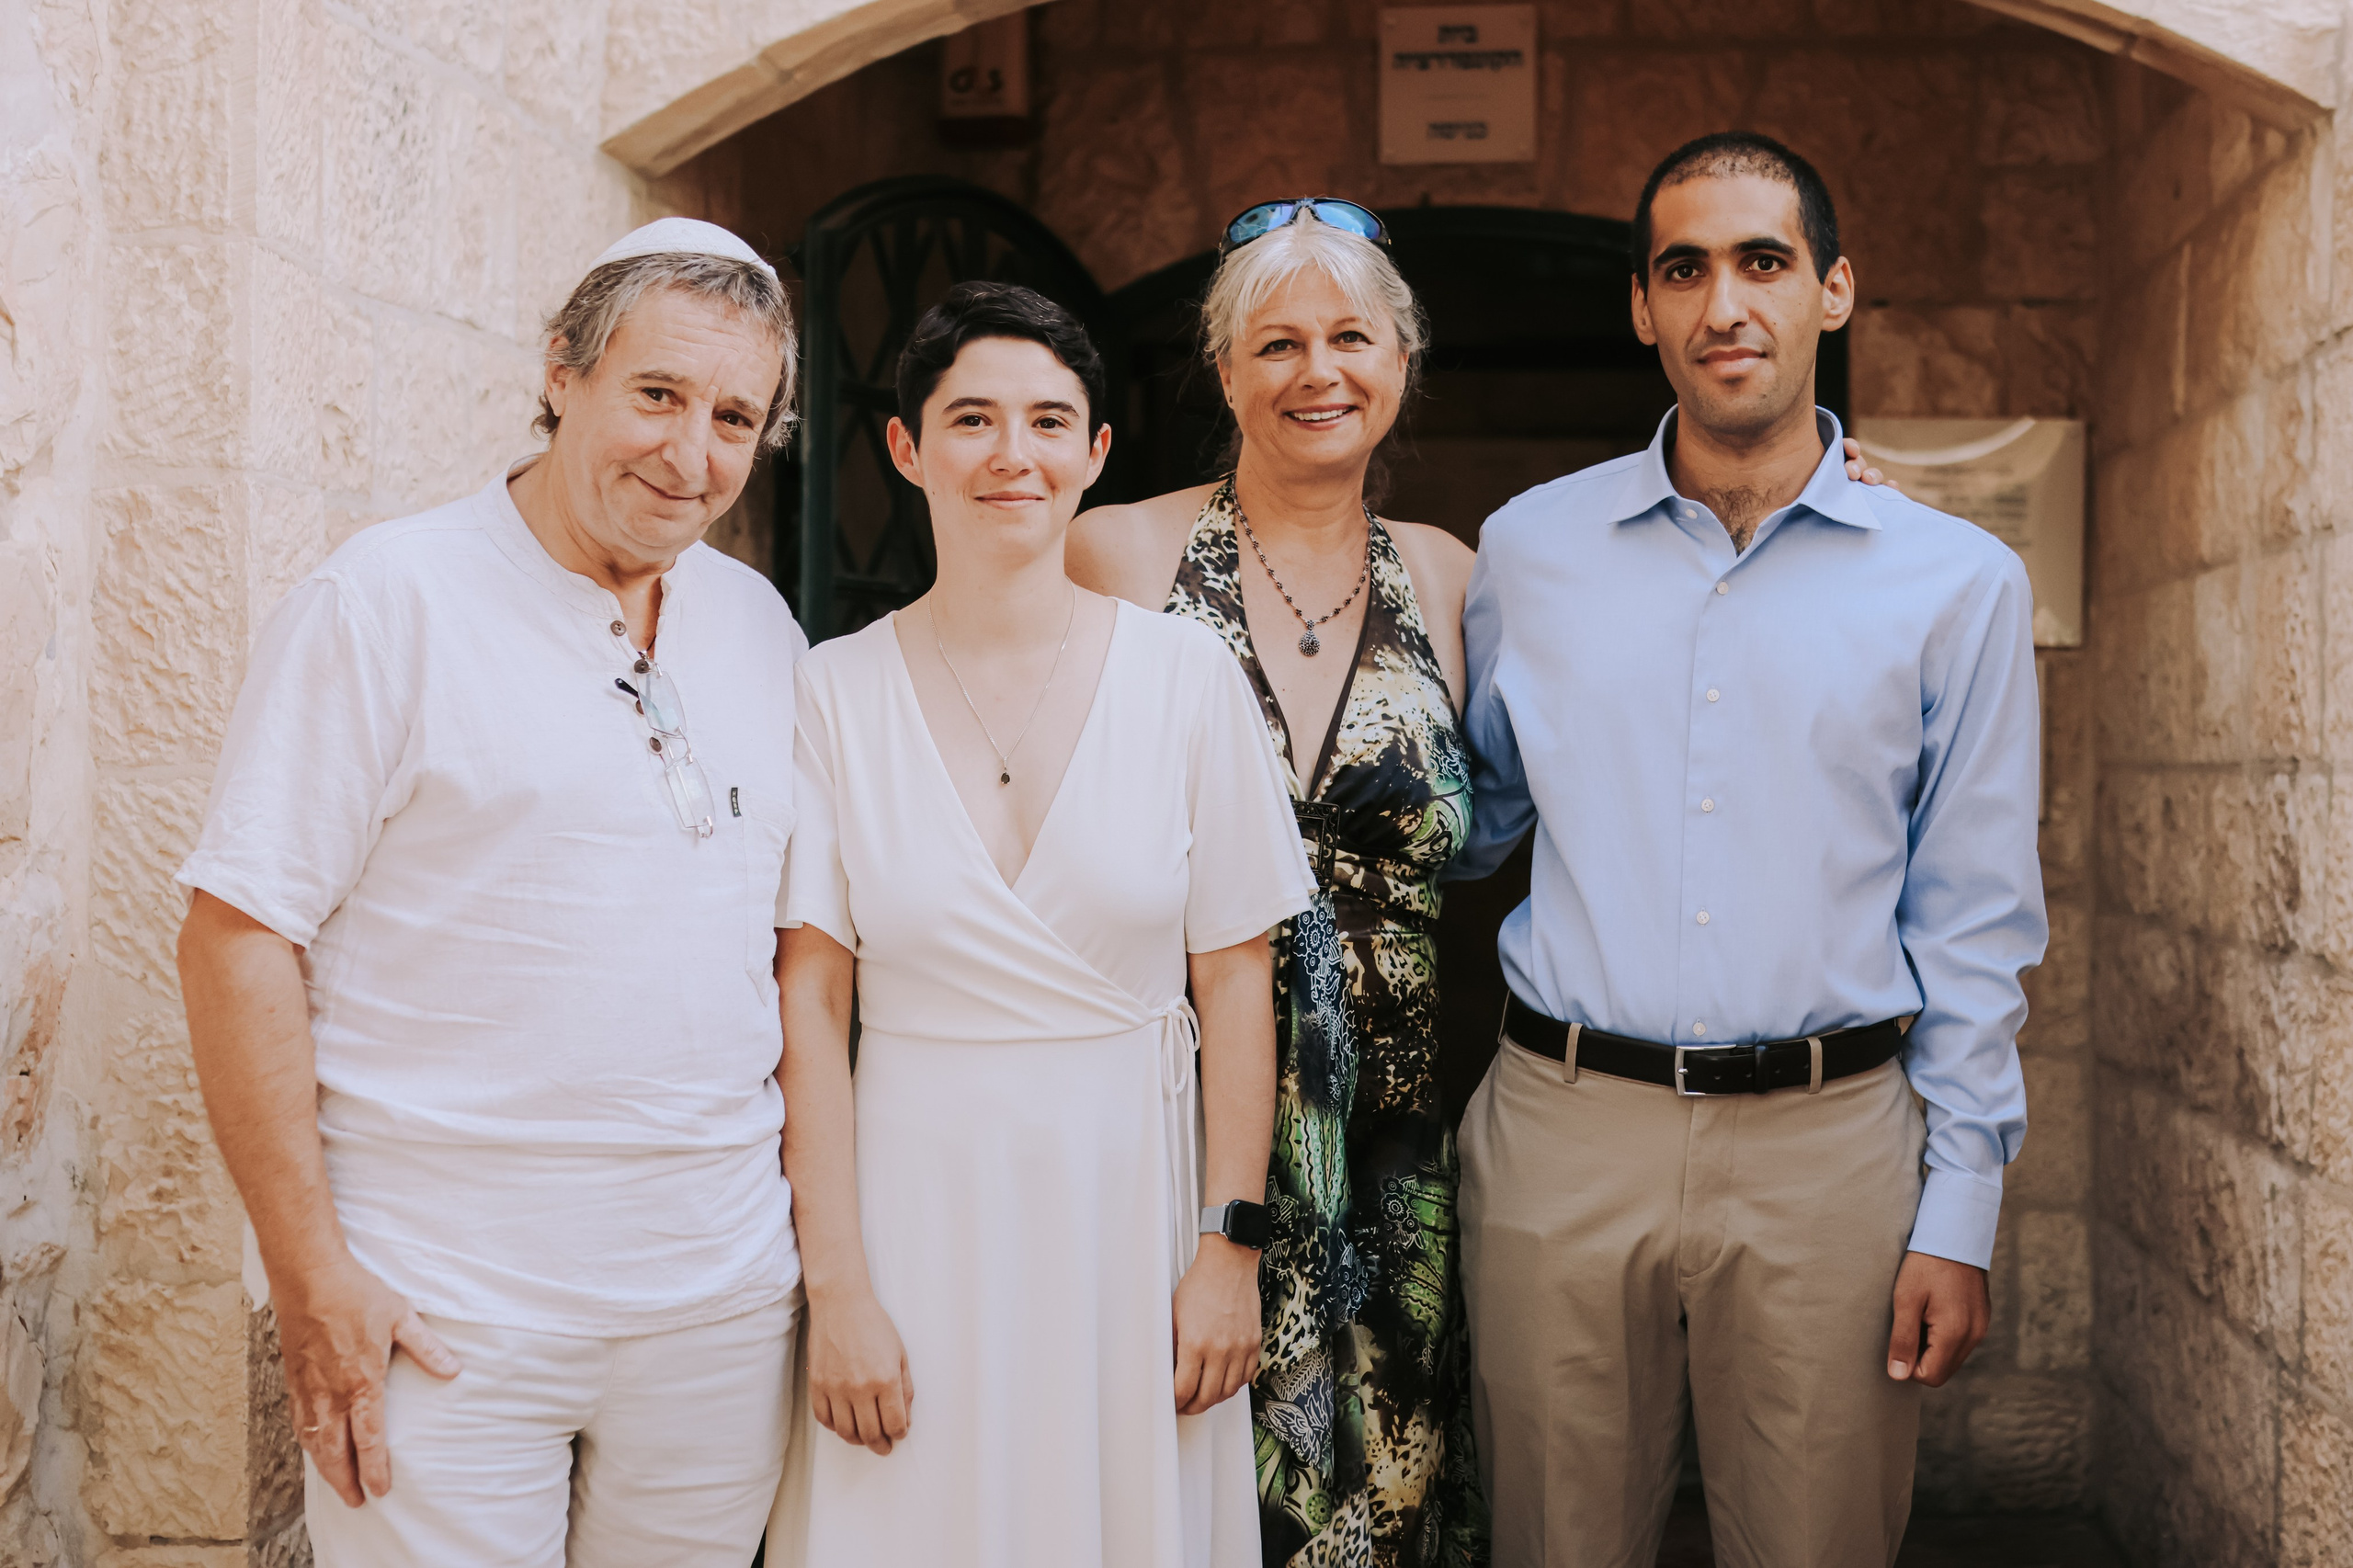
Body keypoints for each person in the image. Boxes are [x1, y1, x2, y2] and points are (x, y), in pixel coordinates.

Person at [1451, 132, 2047, 1568]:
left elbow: (1975, 916)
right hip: (1565, 1126)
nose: (1726, 303)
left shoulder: (1957, 583)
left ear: (1833, 291)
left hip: (1830, 1147)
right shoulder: (1526, 552)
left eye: (1763, 262)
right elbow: (1465, 823)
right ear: (1643, 310)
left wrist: (1959, 1207)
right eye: (1685, 268)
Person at [175, 218, 807, 1567]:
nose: (690, 453)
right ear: (562, 371)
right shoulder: (384, 601)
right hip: (438, 1310)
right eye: (657, 394)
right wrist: (309, 1273)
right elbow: (236, 935)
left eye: (735, 415)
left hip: (716, 1307)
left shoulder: (759, 624)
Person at [767, 280, 1314, 1567]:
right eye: (971, 419)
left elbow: (1240, 985)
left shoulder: (1187, 680)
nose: (1013, 455)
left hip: (1130, 1204)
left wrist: (1226, 1252)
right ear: (906, 449)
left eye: (1049, 421)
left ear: (1096, 453)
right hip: (910, 1214)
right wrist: (837, 1287)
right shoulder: (831, 689)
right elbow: (811, 1001)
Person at [1069, 199, 1489, 1567]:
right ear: (1225, 368)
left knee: (1389, 1507)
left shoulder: (1452, 577)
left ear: (1402, 361)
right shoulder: (1123, 554)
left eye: (1352, 336)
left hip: (1394, 1148)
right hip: (1181, 1131)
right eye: (1279, 342)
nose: (1320, 371)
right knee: (1176, 1500)